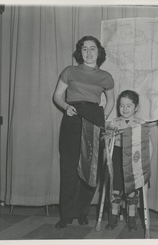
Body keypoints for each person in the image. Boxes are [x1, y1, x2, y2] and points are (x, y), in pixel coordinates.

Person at [53, 36, 115, 229]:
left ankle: (82, 212)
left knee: (91, 168)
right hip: (72, 117)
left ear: (99, 52)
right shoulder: (69, 71)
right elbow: (57, 95)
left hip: (94, 118)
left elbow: (111, 101)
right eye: (85, 49)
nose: (89, 53)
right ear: (80, 52)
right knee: (69, 166)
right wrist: (65, 107)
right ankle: (66, 215)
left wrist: (101, 118)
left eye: (93, 49)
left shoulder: (106, 76)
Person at [105, 90, 152, 231]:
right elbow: (107, 142)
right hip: (117, 156)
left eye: (129, 106)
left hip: (134, 158)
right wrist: (107, 137)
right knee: (116, 188)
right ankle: (114, 214)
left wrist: (147, 162)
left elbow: (148, 144)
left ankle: (131, 216)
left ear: (136, 107)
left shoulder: (140, 123)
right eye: (121, 106)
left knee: (132, 189)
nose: (124, 109)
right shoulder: (114, 122)